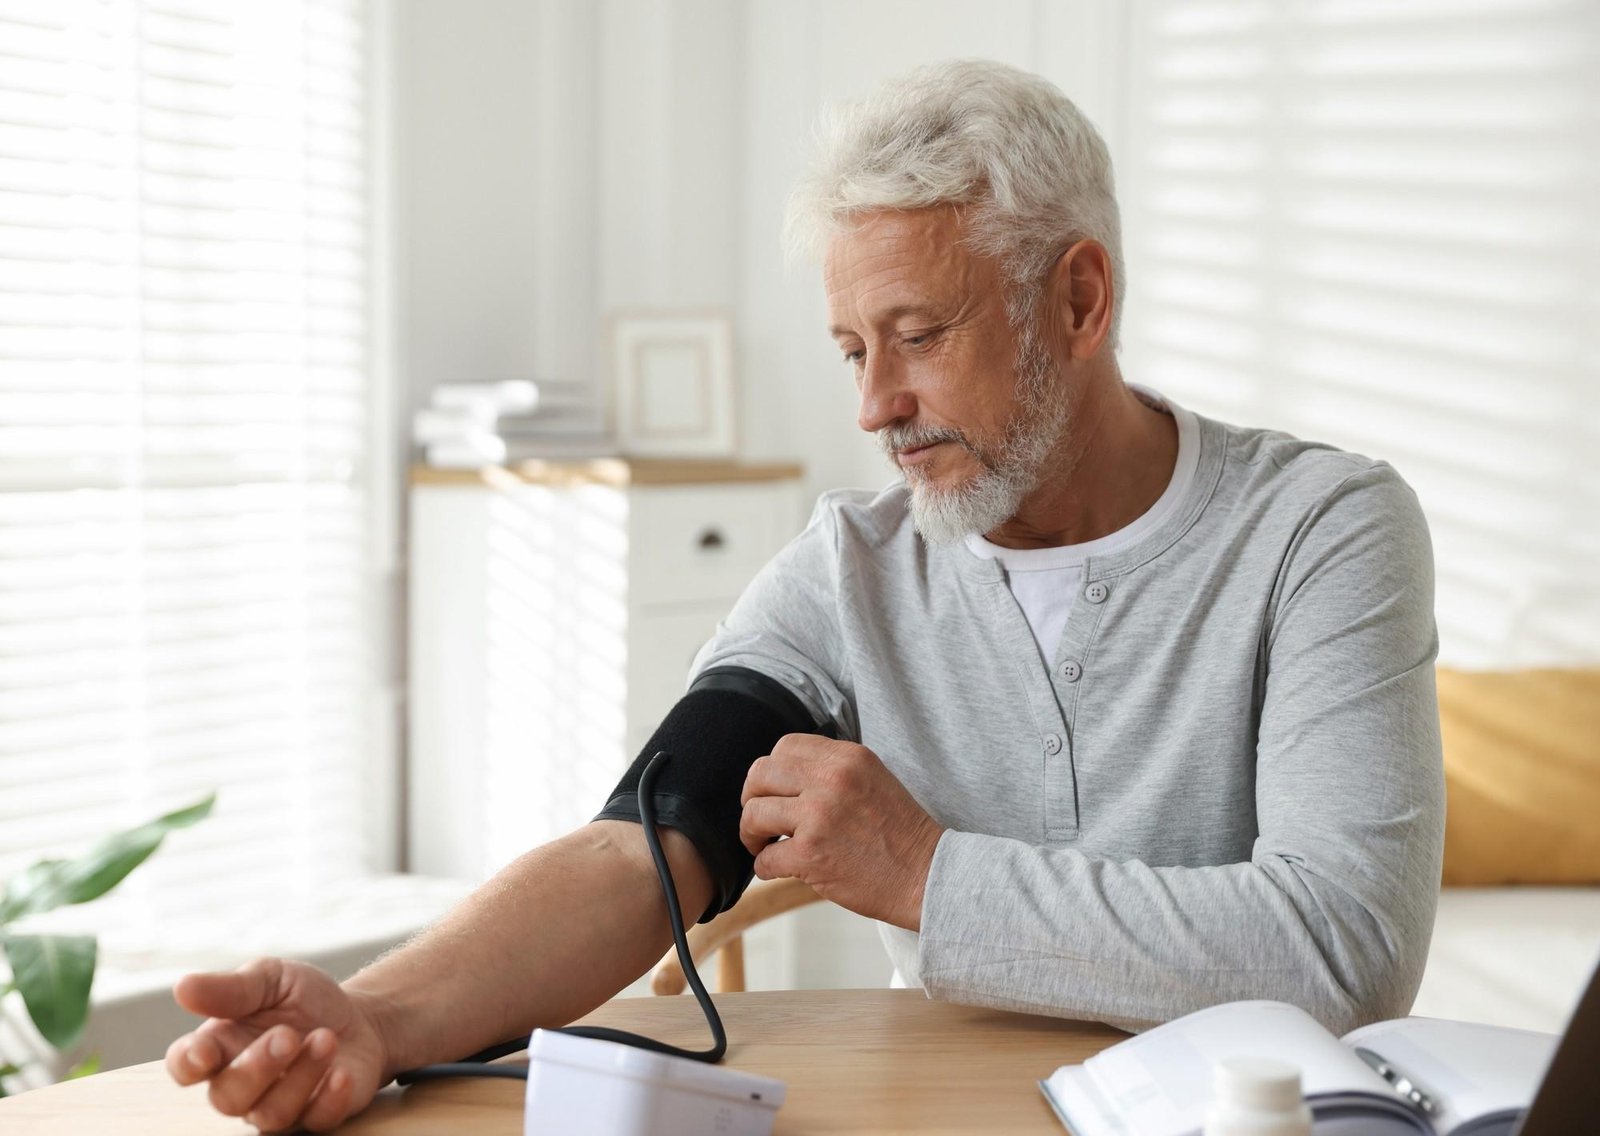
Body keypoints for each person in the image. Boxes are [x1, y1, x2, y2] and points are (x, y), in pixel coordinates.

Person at [164, 59, 1444, 1133]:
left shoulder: (1321, 531)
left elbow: (1337, 947)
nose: (872, 404)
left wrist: (927, 875)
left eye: (919, 334)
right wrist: (378, 1015)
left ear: (1077, 298)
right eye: (850, 347)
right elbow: (636, 851)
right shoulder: (852, 570)